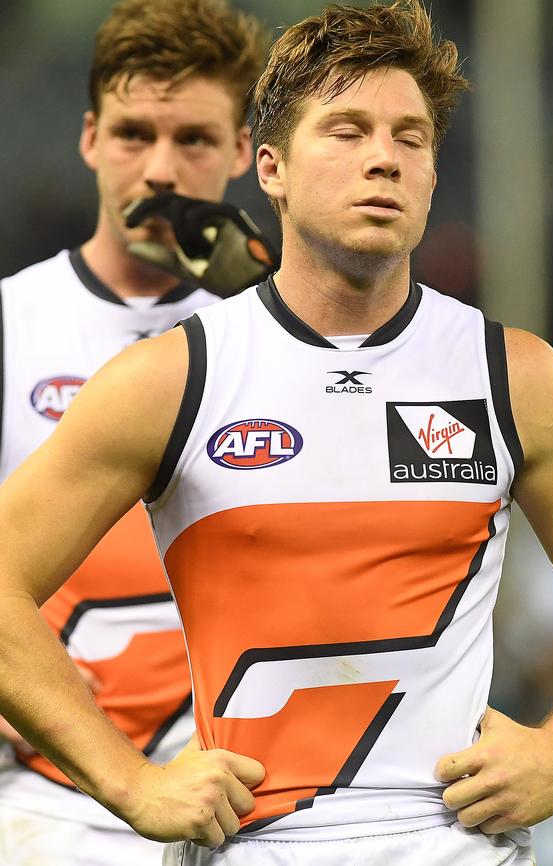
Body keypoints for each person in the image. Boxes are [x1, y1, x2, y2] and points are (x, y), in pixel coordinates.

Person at [0, 1, 553, 865]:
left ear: (431, 176)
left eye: (410, 138)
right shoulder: (172, 378)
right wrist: (126, 781)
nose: (383, 157)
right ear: (268, 166)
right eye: (346, 130)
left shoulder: (514, 375)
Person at [0, 0, 268, 863]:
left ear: (240, 152)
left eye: (192, 139)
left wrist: (266, 285)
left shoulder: (281, 333)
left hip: (262, 796)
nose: (160, 168)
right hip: (55, 800)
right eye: (132, 134)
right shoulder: (12, 324)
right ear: (88, 138)